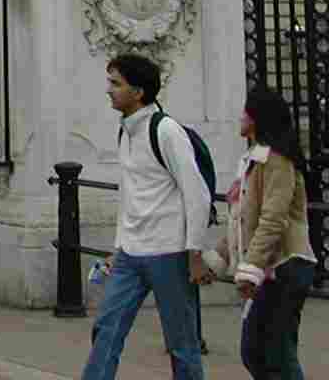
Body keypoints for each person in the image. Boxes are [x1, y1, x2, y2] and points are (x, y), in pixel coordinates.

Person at [81, 53, 213, 380]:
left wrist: (194, 251)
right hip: (130, 254)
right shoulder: (125, 131)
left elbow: (196, 193)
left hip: (169, 253)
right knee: (106, 328)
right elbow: (129, 195)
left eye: (116, 83)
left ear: (138, 92)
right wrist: (118, 246)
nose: (108, 90)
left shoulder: (166, 130)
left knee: (182, 343)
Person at [212, 86, 315, 380]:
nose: (240, 116)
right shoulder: (254, 162)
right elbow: (242, 223)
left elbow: (273, 218)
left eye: (246, 110)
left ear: (257, 118)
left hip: (286, 266)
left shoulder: (276, 161)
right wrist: (218, 257)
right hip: (268, 268)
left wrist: (250, 268)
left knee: (276, 353)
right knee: (256, 352)